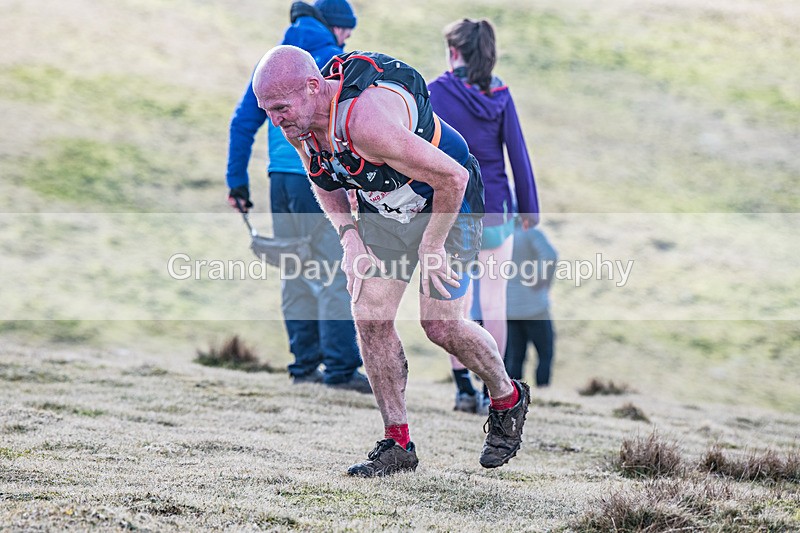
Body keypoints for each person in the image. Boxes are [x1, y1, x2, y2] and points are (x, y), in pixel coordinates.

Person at [251, 45, 532, 476]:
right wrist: (349, 239)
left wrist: (433, 246)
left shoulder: (367, 122)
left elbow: (452, 178)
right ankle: (397, 444)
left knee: (441, 325)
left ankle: (507, 397)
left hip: (448, 204)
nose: (276, 120)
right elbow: (324, 180)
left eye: (280, 108)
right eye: (267, 110)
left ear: (312, 87)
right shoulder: (300, 123)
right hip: (386, 208)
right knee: (370, 316)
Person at [225, 0, 370, 393]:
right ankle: (340, 370)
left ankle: (304, 365)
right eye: (346, 30)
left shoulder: (272, 64)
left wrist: (236, 181)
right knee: (335, 270)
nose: (347, 37)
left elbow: (242, 121)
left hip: (280, 181)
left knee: (295, 269)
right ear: (334, 27)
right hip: (317, 177)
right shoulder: (326, 64)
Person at [428, 18, 539, 413]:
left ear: (454, 51)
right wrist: (530, 208)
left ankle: (463, 389)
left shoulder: (436, 92)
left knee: (455, 307)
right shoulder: (501, 93)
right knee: (494, 305)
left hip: (454, 212)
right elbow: (518, 153)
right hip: (496, 214)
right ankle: (498, 390)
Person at [505, 226, 557, 387]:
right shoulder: (531, 233)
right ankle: (542, 389)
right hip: (535, 307)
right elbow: (550, 256)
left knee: (515, 356)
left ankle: (515, 394)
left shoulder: (501, 234)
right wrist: (541, 278)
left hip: (509, 307)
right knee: (545, 352)